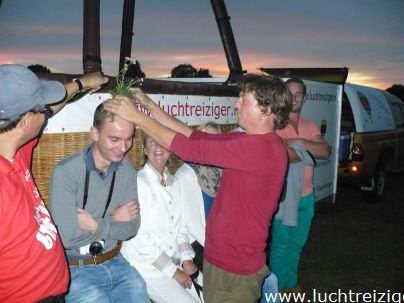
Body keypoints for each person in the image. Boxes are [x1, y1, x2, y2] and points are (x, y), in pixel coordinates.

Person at [104, 74, 292, 303]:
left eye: (244, 99)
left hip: (236, 270)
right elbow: (194, 137)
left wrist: (136, 118)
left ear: (267, 109)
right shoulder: (251, 143)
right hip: (220, 261)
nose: (236, 104)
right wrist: (149, 107)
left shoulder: (261, 148)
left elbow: (190, 149)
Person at [0, 64, 107, 303]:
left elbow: (51, 106)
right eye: (43, 112)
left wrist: (82, 83)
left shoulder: (16, 151)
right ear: (26, 121)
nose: (47, 114)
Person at [49, 103, 149, 303]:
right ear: (94, 133)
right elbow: (67, 238)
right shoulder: (66, 172)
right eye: (114, 139)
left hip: (116, 261)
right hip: (77, 268)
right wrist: (113, 220)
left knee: (139, 288)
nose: (123, 148)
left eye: (129, 139)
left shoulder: (127, 170)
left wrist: (96, 225)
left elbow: (131, 228)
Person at [121, 134, 202, 303]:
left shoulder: (174, 183)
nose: (158, 148)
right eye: (152, 142)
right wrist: (173, 272)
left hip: (175, 261)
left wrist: (187, 258)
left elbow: (181, 228)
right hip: (148, 268)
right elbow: (138, 238)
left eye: (162, 143)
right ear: (144, 149)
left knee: (213, 295)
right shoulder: (138, 184)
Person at [269, 78, 330, 292]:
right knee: (280, 246)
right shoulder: (275, 124)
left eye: (298, 94)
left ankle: (290, 285)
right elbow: (282, 156)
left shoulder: (309, 125)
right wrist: (307, 149)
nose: (294, 98)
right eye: (290, 93)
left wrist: (300, 144)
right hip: (285, 196)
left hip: (307, 195)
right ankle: (276, 290)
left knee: (296, 244)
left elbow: (325, 152)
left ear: (305, 97)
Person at [174, 122, 222, 272]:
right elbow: (193, 224)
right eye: (206, 139)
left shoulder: (219, 171)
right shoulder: (185, 174)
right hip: (195, 244)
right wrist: (220, 250)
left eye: (216, 141)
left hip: (216, 238)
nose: (210, 145)